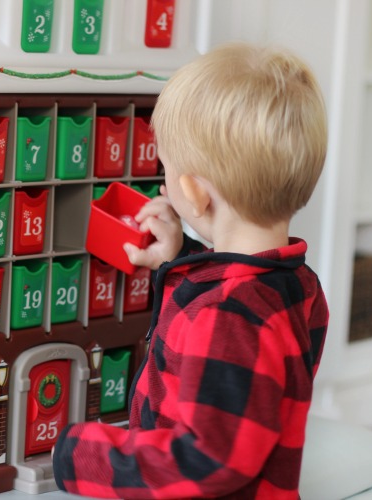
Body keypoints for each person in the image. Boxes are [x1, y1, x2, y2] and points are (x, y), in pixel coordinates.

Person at [52, 42, 329, 499]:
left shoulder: (227, 317)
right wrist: (179, 256)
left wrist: (82, 455)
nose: (161, 180)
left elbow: (208, 459)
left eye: (166, 168)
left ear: (195, 195)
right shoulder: (298, 284)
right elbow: (242, 383)